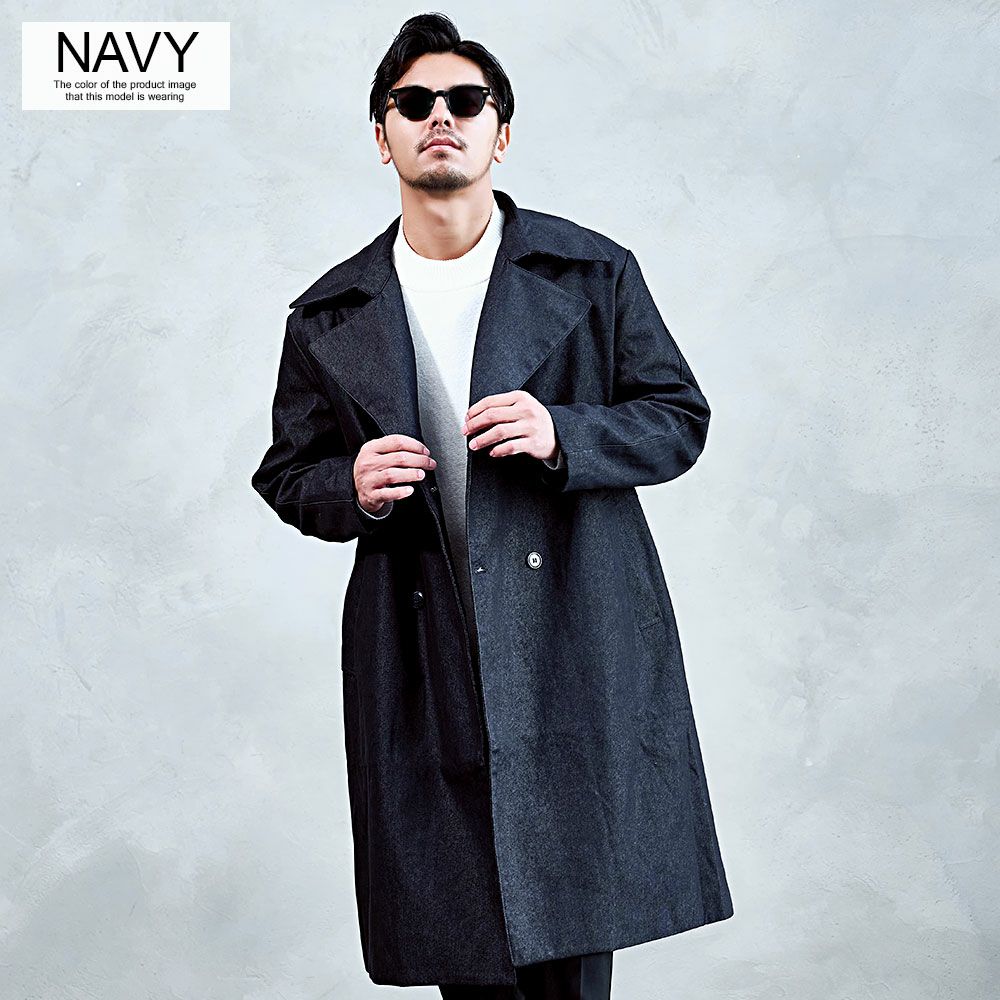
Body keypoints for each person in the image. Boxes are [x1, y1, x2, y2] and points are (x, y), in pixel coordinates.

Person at [251, 12, 733, 998]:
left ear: (499, 132)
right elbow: (289, 472)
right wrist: (349, 484)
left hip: (566, 639)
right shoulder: (330, 312)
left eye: (466, 101)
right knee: (461, 948)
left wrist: (565, 433)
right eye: (414, 102)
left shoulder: (590, 271)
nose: (442, 116)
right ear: (381, 135)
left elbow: (677, 419)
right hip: (421, 654)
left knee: (568, 950)